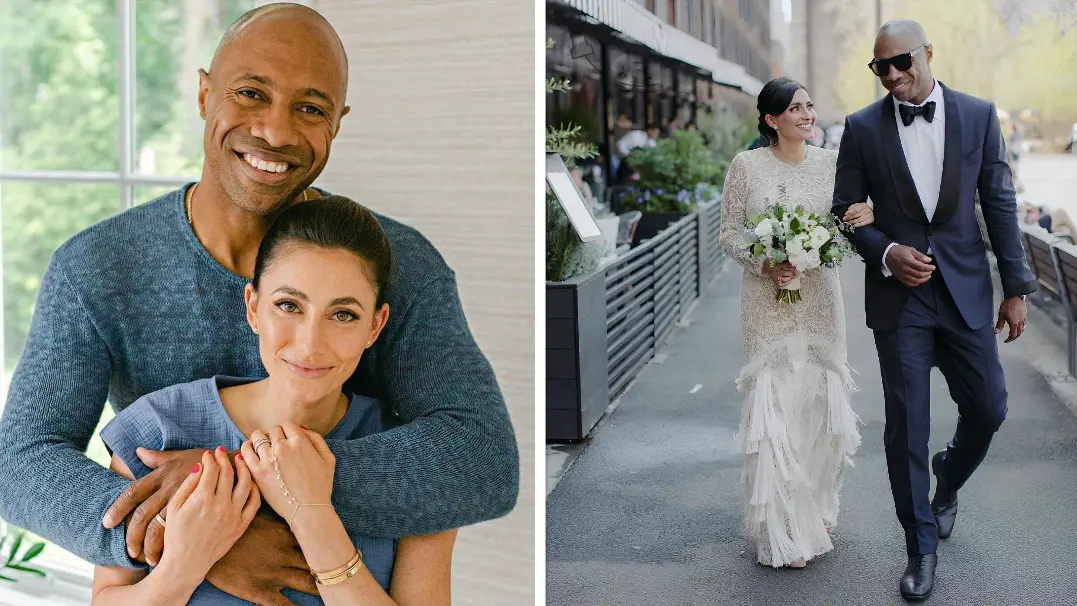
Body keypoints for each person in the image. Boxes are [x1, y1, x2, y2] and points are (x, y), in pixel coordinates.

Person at [0, 4, 517, 604]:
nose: (275, 132)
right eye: (250, 93)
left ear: (337, 123)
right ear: (203, 94)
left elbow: (481, 459)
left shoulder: (400, 267)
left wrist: (241, 485)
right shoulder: (97, 267)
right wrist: (188, 535)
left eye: (310, 108)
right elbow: (20, 464)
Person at [92, 197, 457, 605]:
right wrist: (186, 564)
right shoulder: (159, 431)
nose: (310, 344)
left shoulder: (420, 459)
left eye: (343, 315)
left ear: (375, 326)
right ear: (253, 308)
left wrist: (312, 515)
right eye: (288, 306)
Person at [831, 20, 1034, 600]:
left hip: (967, 293)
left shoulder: (977, 114)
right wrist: (887, 252)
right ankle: (919, 549)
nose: (893, 76)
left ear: (927, 54)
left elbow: (998, 200)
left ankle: (948, 483)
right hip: (901, 302)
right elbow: (845, 207)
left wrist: (1015, 287)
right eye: (881, 68)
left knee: (989, 408)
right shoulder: (862, 128)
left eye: (902, 62)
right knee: (906, 428)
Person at [718, 76, 875, 570]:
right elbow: (729, 234)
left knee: (817, 408)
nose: (808, 115)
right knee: (775, 410)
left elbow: (850, 222)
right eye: (796, 109)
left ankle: (815, 508)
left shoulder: (833, 163)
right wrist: (767, 264)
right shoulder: (746, 166)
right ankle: (780, 526)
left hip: (821, 300)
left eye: (810, 106)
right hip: (766, 303)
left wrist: (864, 217)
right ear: (771, 120)